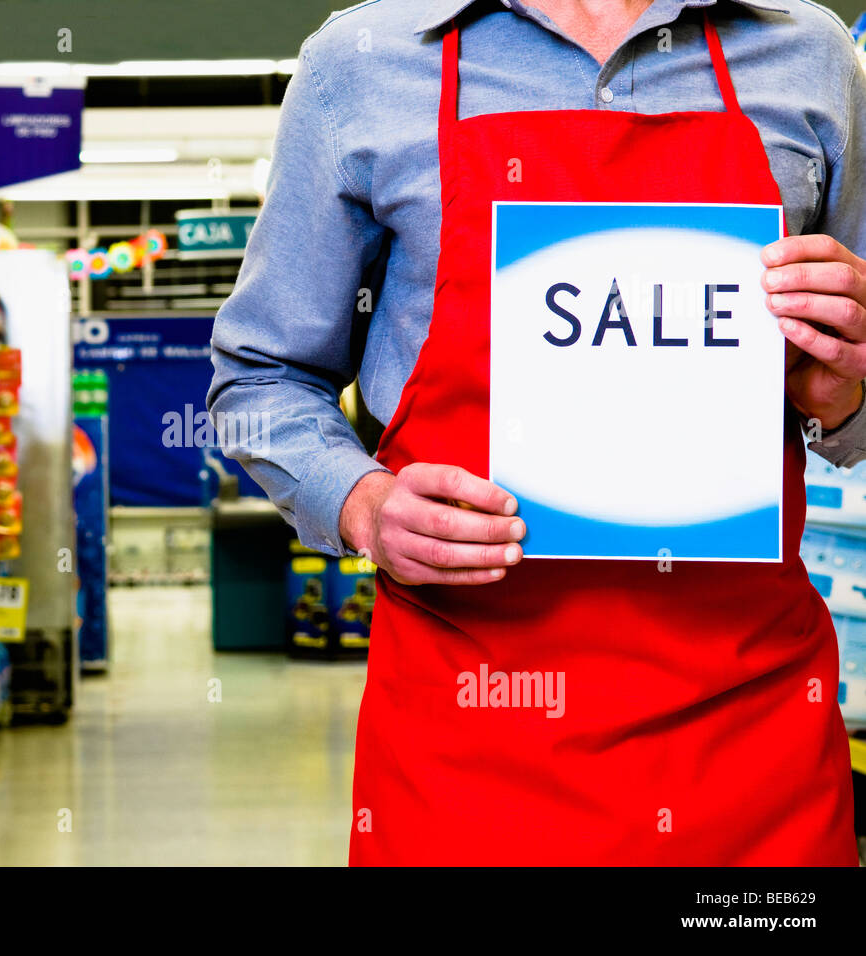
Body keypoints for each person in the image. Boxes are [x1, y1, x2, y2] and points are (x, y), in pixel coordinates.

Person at [208, 0, 865, 865]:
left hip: (747, 733)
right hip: (468, 730)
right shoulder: (366, 63)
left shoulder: (806, 57)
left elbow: (848, 401)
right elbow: (259, 378)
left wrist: (840, 391)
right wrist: (363, 504)